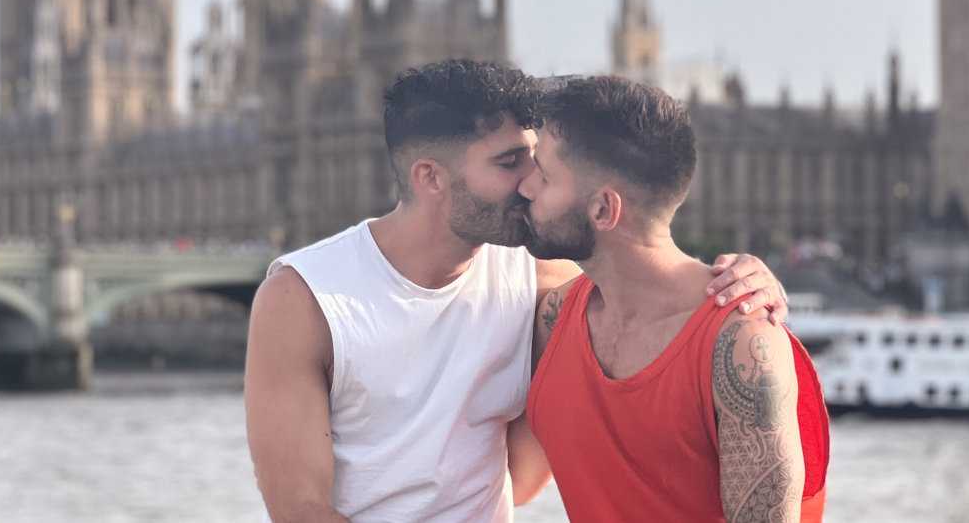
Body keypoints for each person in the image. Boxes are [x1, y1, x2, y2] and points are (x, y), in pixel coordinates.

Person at [243, 60, 789, 522]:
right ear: (430, 178)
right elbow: (301, 511)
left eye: (536, 162)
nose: (530, 184)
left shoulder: (543, 284)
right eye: (509, 164)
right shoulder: (304, 298)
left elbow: (523, 480)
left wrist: (745, 282)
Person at [517, 75, 829, 522]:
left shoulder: (742, 346)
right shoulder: (554, 317)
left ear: (604, 209)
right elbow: (512, 479)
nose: (525, 189)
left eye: (543, 177)